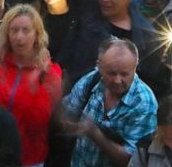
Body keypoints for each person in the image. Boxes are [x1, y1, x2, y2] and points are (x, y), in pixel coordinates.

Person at [0, 5, 63, 167]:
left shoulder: (49, 73)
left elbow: (48, 120)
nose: (19, 37)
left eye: (26, 30)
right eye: (14, 30)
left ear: (37, 35)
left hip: (30, 159)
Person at [60, 39, 157, 167]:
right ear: (99, 66)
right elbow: (66, 111)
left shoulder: (143, 103)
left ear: (135, 67)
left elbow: (132, 160)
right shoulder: (91, 80)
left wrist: (95, 133)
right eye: (111, 73)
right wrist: (66, 122)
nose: (117, 80)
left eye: (124, 74)